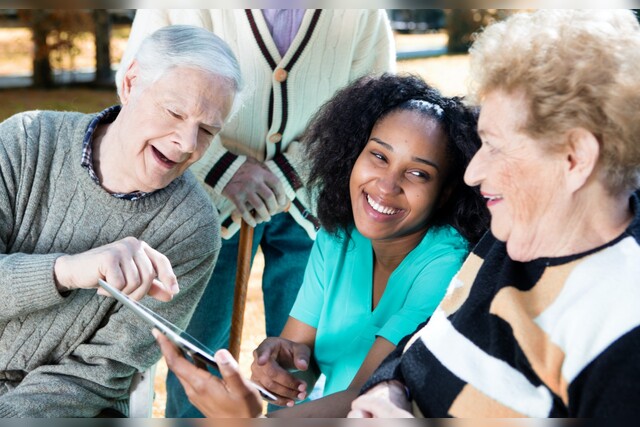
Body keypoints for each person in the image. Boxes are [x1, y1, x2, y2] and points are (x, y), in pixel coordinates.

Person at [347, 9, 640, 417]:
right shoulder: (509, 232)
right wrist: (387, 390)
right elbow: (430, 338)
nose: (473, 172)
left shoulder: (624, 333)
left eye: (495, 146)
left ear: (575, 158)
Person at [154, 73, 490, 418]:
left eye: (418, 173)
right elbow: (302, 355)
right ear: (353, 154)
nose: (387, 185)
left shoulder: (449, 265)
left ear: (447, 191)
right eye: (378, 156)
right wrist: (283, 366)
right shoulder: (339, 236)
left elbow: (367, 397)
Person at [116, 9, 396, 418]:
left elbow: (375, 104)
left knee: (304, 369)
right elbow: (137, 84)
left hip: (314, 207)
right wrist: (223, 168)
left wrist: (289, 172)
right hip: (204, 203)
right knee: (199, 368)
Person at [0, 25, 241, 417]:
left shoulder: (193, 228)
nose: (187, 144)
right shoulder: (26, 140)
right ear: (131, 83)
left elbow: (99, 373)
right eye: (175, 112)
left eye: (207, 130)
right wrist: (68, 270)